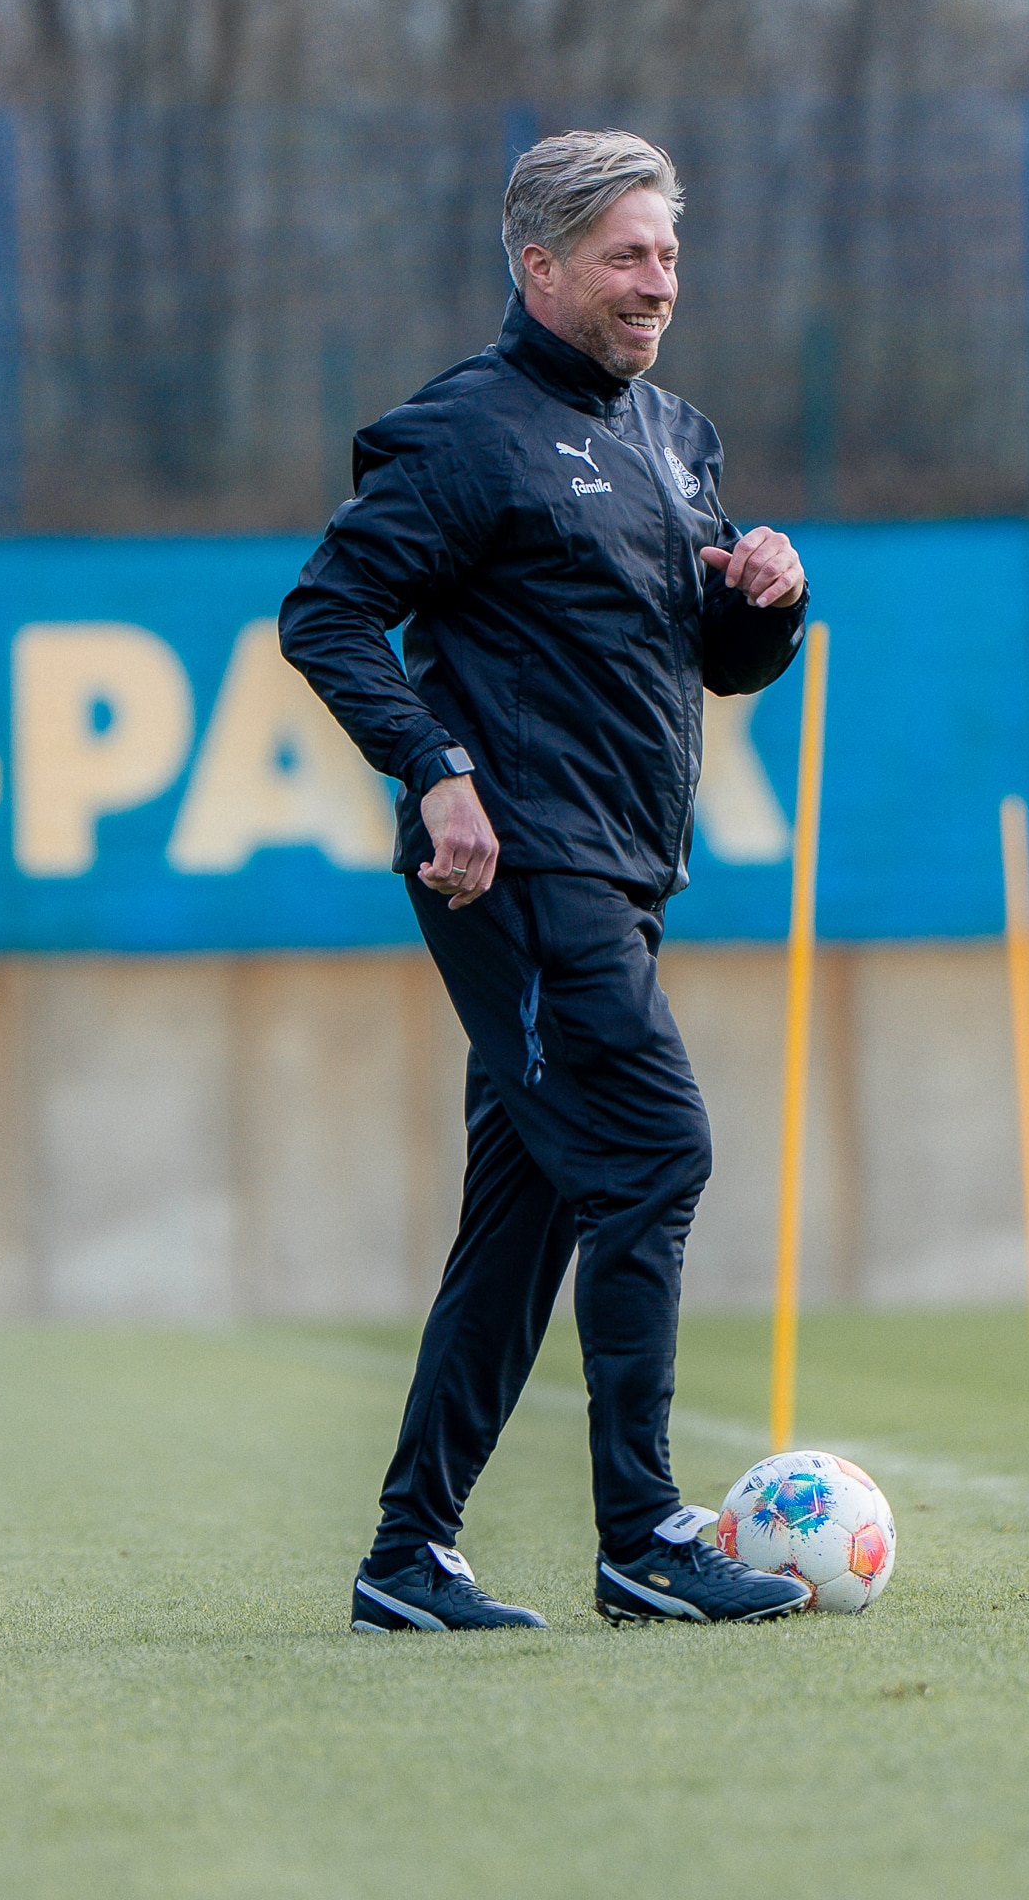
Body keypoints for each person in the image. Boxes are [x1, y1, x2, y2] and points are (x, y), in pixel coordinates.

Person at [279, 129, 810, 1632]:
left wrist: (766, 599)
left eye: (670, 255)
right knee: (654, 1151)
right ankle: (645, 1538)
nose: (659, 283)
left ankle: (408, 1558)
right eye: (627, 255)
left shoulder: (677, 438)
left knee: (524, 1221)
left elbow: (717, 662)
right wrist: (435, 767)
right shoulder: (466, 431)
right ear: (541, 265)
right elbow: (325, 614)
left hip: (627, 869)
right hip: (518, 867)